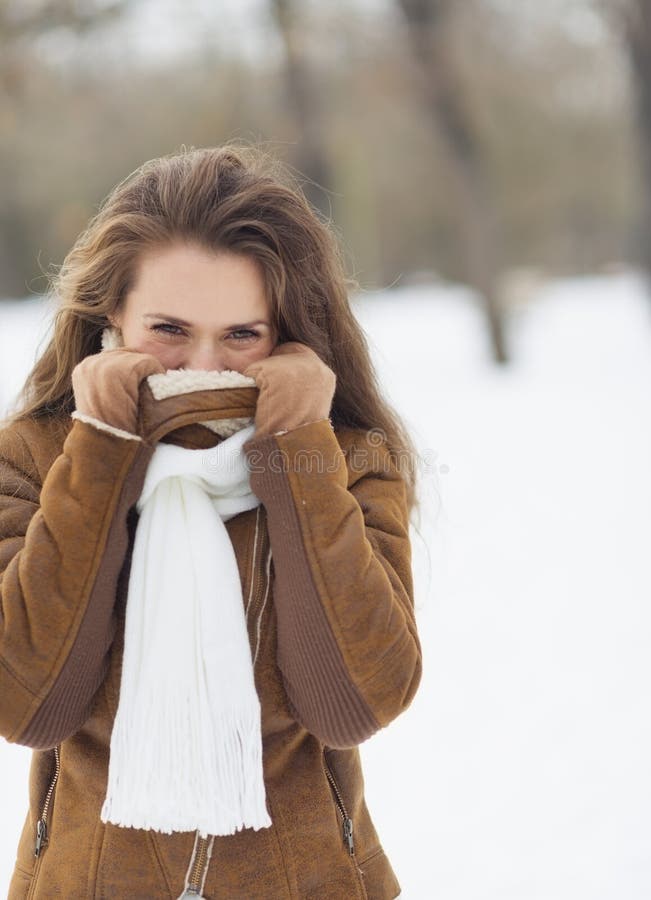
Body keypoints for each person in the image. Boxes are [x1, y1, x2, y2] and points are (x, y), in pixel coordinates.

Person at [0, 144, 422, 899]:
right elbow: (27, 704)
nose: (200, 363)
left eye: (241, 336)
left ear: (290, 336)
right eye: (167, 329)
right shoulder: (34, 459)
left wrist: (294, 450)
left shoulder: (346, 460)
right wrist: (101, 454)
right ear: (111, 315)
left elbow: (352, 703)